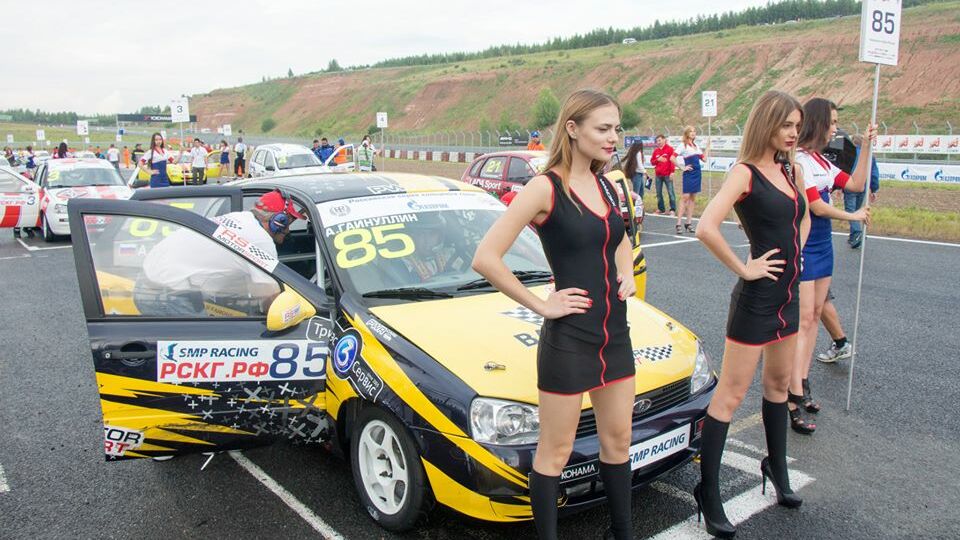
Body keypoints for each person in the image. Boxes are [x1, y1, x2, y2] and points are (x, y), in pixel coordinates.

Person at [473, 89, 637, 540]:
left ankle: (622, 532)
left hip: (615, 335)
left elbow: (619, 239)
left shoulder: (606, 183)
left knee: (618, 442)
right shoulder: (544, 187)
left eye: (617, 128)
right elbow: (486, 257)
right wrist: (542, 304)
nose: (614, 137)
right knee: (556, 451)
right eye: (603, 128)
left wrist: (626, 273)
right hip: (570, 340)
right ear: (573, 128)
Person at [694, 90, 810, 538]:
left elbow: (802, 217)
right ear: (766, 124)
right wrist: (745, 267)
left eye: (797, 126)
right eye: (786, 125)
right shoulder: (745, 173)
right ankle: (709, 491)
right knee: (730, 395)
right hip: (757, 298)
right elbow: (706, 226)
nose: (793, 133)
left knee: (779, 386)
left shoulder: (791, 170)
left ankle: (777, 469)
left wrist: (796, 251)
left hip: (788, 295)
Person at [789, 98, 874, 430]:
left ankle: (803, 380)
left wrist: (866, 147)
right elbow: (816, 205)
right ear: (819, 123)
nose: (836, 129)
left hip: (824, 244)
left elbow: (855, 184)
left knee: (814, 317)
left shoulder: (820, 160)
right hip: (806, 242)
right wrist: (853, 216)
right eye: (833, 122)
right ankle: (792, 394)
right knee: (803, 319)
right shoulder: (799, 160)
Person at [134, 190, 305, 316]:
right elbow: (271, 301)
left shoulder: (241, 218)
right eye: (287, 222)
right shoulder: (261, 240)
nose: (288, 230)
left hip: (151, 283)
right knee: (205, 349)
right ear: (278, 220)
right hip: (167, 295)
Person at [844, 134, 880, 249]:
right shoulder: (870, 156)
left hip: (850, 185)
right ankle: (853, 236)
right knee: (857, 210)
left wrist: (839, 186)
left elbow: (844, 170)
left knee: (851, 211)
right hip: (863, 186)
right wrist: (874, 189)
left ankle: (857, 233)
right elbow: (874, 174)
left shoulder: (849, 153)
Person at [675, 126, 708, 234]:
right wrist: (682, 167)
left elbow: (704, 159)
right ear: (686, 133)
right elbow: (672, 157)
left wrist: (708, 147)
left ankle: (688, 223)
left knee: (693, 198)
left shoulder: (696, 146)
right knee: (685, 197)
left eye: (694, 131)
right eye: (691, 131)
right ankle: (678, 223)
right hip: (689, 173)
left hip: (697, 173)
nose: (693, 133)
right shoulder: (683, 145)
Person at [650, 135, 677, 215]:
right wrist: (658, 159)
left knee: (670, 192)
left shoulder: (670, 149)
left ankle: (672, 209)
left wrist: (672, 172)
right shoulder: (656, 151)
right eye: (657, 141)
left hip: (667, 174)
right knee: (658, 193)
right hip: (658, 175)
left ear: (664, 140)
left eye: (660, 140)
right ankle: (661, 209)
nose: (658, 142)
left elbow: (672, 161)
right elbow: (652, 162)